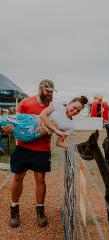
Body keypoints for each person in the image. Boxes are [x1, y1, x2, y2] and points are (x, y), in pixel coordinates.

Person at [4, 79, 56, 228]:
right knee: (18, 177)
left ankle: (40, 211)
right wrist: (8, 129)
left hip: (42, 148)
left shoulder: (52, 107)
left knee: (40, 178)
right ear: (40, 89)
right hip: (23, 147)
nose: (50, 94)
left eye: (52, 92)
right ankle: (14, 209)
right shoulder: (26, 103)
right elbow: (14, 122)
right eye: (47, 91)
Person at [0, 96, 88, 148]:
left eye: (78, 110)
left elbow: (59, 143)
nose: (75, 111)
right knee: (2, 121)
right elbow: (43, 115)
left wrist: (73, 147)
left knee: (7, 127)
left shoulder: (70, 125)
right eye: (75, 107)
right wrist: (56, 130)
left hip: (31, 134)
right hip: (29, 120)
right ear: (70, 103)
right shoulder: (58, 105)